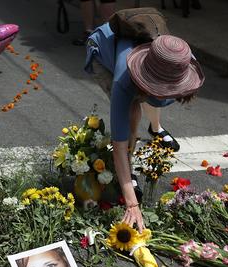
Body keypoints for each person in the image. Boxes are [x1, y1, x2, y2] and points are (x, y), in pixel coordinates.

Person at [84, 22, 204, 232]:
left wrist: (158, 92)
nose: (162, 93)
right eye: (156, 86)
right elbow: (118, 146)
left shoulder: (182, 59)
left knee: (145, 100)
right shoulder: (124, 78)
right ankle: (128, 173)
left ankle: (154, 128)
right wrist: (132, 204)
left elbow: (160, 93)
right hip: (103, 46)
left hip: (146, 56)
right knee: (130, 111)